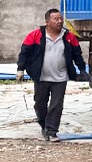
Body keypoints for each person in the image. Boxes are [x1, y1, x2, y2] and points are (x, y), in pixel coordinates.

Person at [15, 9, 87, 142]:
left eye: (61, 19)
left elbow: (77, 54)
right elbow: (24, 52)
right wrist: (20, 69)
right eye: (56, 19)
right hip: (41, 77)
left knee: (56, 105)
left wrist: (82, 70)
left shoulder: (69, 37)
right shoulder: (35, 35)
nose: (60, 21)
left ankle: (52, 131)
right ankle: (43, 124)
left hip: (61, 77)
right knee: (40, 104)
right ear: (47, 22)